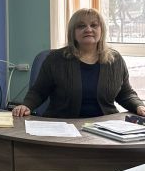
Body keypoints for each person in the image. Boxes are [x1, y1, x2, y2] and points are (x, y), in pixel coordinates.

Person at [12, 7, 145, 119]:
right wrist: (26, 106)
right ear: (73, 32)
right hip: (63, 125)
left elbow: (125, 93)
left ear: (102, 30)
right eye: (81, 26)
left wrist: (139, 106)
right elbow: (38, 91)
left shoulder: (115, 60)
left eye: (94, 25)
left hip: (105, 127)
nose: (88, 29)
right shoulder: (55, 59)